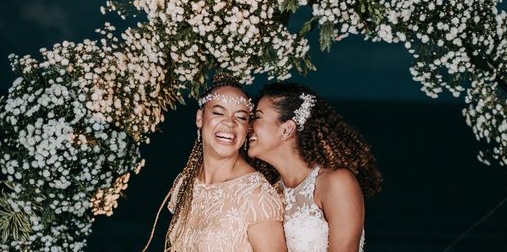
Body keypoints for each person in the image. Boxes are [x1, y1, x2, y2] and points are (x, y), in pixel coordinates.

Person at [143, 73, 286, 252]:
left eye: (241, 117)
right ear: (199, 118)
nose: (229, 123)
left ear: (247, 127)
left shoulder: (256, 195)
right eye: (218, 112)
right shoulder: (186, 182)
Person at [247, 82, 382, 252]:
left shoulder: (336, 182)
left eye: (257, 117)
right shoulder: (269, 191)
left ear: (286, 129)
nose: (248, 126)